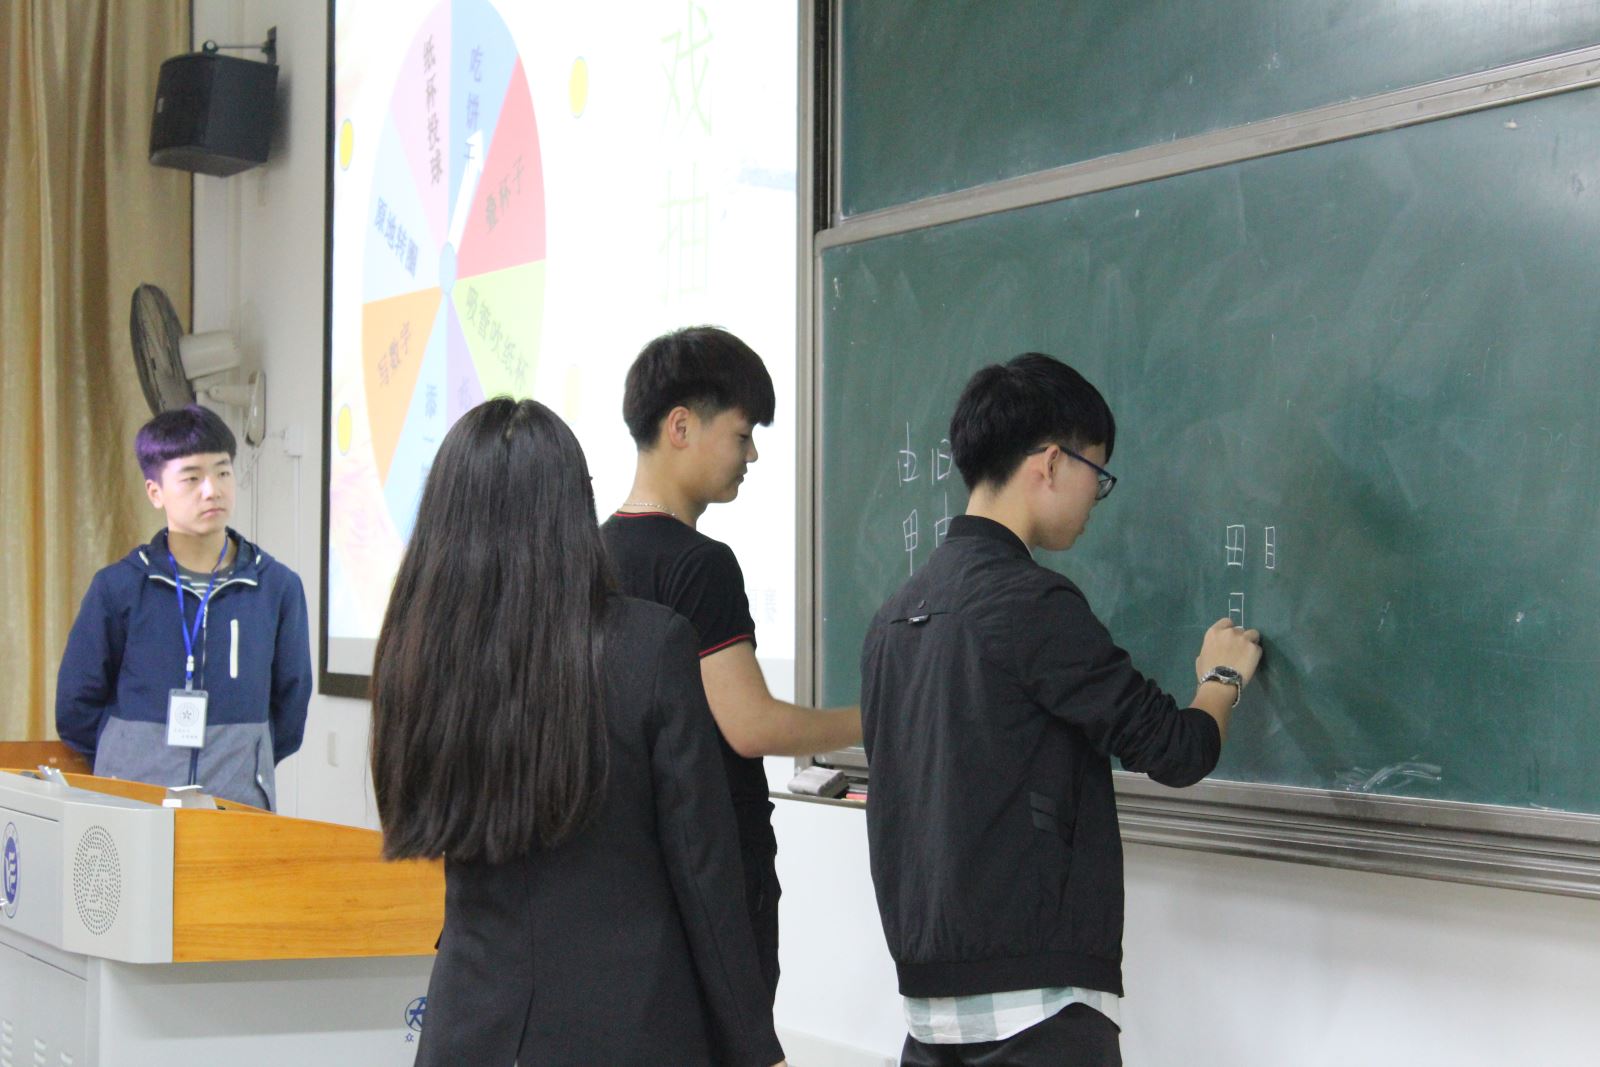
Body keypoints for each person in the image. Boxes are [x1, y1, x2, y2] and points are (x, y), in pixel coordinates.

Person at [860, 354, 1263, 1066]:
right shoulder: (1030, 602)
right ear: (1050, 462)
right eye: (1096, 474)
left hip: (928, 1015)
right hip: (1036, 1013)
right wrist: (1222, 677)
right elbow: (1177, 748)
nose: (1096, 497)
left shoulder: (894, 617)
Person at [370, 397, 786, 1067]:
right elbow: (704, 871)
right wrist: (757, 1048)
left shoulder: (418, 655)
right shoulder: (651, 647)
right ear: (573, 508)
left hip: (467, 1026)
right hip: (631, 1027)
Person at [601, 325, 862, 1002]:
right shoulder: (700, 565)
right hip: (710, 872)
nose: (752, 454)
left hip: (627, 873)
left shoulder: (590, 552)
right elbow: (750, 725)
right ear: (681, 426)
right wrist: (875, 718)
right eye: (742, 434)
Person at [55, 405, 309, 809]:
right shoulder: (119, 587)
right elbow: (75, 706)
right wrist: (127, 760)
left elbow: (291, 709)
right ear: (155, 492)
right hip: (132, 805)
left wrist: (245, 761)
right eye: (192, 478)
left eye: (223, 472)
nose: (212, 490)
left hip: (237, 808)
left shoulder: (276, 588)